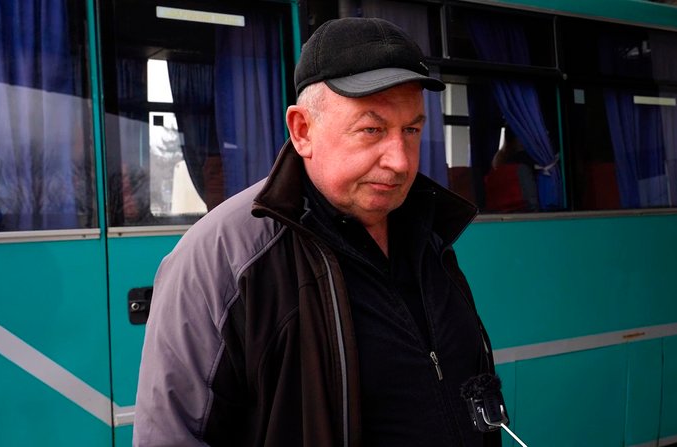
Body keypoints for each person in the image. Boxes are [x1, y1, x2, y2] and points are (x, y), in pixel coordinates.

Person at [133, 17, 500, 447]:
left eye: (411, 130)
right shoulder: (223, 258)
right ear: (302, 131)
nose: (400, 161)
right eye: (372, 130)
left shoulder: (427, 230)